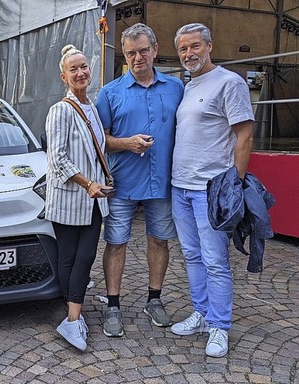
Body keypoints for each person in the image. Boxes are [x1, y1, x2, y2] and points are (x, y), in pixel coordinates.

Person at [170, 23, 254, 358]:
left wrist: (234, 184)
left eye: (195, 46)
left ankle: (220, 324)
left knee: (215, 260)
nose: (189, 54)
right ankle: (202, 314)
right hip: (181, 187)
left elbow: (245, 136)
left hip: (211, 190)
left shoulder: (229, 83)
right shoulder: (188, 86)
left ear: (209, 46)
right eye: (183, 49)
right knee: (191, 255)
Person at [95, 23, 183, 337]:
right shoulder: (110, 93)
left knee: (159, 240)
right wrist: (127, 143)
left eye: (143, 50)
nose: (137, 58)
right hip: (122, 183)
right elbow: (99, 140)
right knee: (116, 243)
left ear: (155, 50)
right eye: (131, 53)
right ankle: (114, 305)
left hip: (162, 181)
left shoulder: (176, 88)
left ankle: (154, 299)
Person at [45, 44, 112, 352]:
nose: (81, 72)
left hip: (93, 198)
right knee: (72, 257)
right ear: (64, 76)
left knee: (83, 257)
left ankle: (73, 312)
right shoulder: (60, 110)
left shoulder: (92, 108)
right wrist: (88, 184)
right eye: (74, 69)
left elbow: (98, 149)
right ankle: (73, 319)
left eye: (84, 66)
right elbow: (57, 159)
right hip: (74, 197)